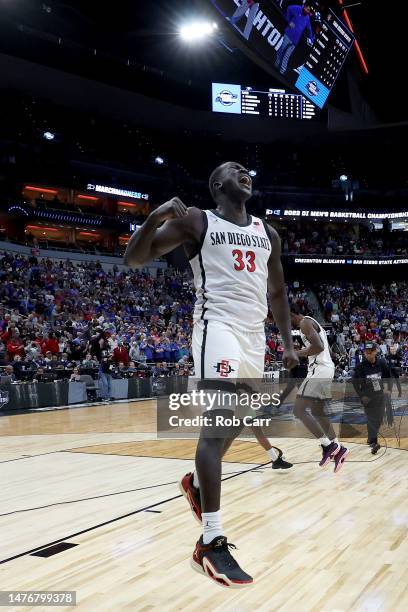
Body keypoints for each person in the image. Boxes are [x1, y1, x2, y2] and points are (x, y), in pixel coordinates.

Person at [125, 161, 298, 587]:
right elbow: (133, 258)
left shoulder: (267, 233)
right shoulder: (197, 220)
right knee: (216, 424)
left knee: (238, 422)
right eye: (234, 169)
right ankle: (210, 542)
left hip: (253, 337)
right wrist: (152, 218)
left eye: (247, 170)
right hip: (216, 328)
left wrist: (289, 343)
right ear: (218, 184)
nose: (245, 172)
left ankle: (196, 484)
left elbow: (276, 291)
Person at [291, 306, 349, 472]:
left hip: (319, 369)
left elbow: (319, 347)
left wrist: (297, 353)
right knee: (317, 411)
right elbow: (328, 349)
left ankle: (327, 446)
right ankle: (339, 449)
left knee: (299, 410)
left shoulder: (304, 323)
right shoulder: (313, 323)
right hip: (325, 369)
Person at [352, 342, 392, 454]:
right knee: (372, 418)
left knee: (378, 418)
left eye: (370, 352)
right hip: (368, 397)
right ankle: (374, 442)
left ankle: (371, 438)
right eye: (366, 352)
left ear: (375, 351)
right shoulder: (360, 367)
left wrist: (388, 389)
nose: (368, 355)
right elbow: (355, 383)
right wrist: (362, 396)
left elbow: (387, 376)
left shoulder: (381, 363)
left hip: (380, 395)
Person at [274, 2, 315, 75]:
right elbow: (289, 8)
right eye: (307, 9)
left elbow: (309, 28)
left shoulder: (307, 17)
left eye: (309, 10)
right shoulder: (297, 8)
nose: (308, 11)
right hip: (289, 34)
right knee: (282, 50)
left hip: (295, 40)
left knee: (287, 55)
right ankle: (276, 65)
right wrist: (289, 21)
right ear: (304, 7)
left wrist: (311, 38)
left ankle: (282, 71)